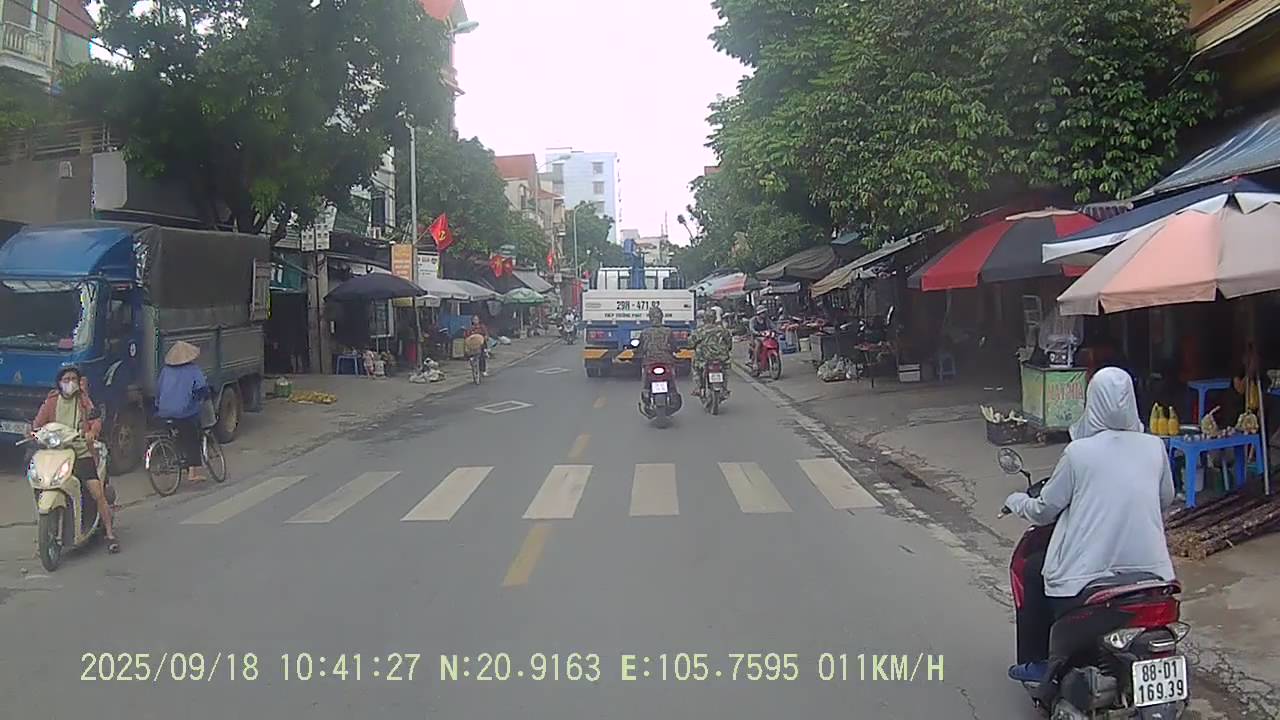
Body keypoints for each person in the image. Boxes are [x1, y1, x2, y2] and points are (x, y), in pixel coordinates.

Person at [1004, 367, 1176, 682]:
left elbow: (1044, 511)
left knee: (1032, 570)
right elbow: (1165, 498)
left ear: (1092, 401)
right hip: (1152, 574)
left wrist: (1016, 501)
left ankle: (1038, 662)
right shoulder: (1154, 446)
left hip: (1087, 576)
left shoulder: (1078, 453)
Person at [33, 366, 119, 553]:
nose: (70, 382)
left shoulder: (83, 400)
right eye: (66, 379)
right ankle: (45, 534)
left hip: (80, 453)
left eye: (73, 379)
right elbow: (37, 424)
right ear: (59, 382)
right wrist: (33, 433)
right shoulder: (51, 401)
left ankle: (110, 534)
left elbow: (95, 420)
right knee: (41, 484)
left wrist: (92, 432)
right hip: (55, 453)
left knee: (96, 492)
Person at [156, 341, 211, 482]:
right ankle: (192, 473)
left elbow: (158, 391)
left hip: (164, 412)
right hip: (184, 413)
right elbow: (202, 390)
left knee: (178, 435)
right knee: (192, 438)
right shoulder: (193, 370)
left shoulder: (165, 371)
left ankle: (178, 456)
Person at [636, 306, 676, 401]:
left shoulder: (645, 332)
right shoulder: (668, 331)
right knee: (672, 379)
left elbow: (640, 348)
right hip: (666, 361)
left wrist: (637, 353)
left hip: (649, 361)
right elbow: (674, 345)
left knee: (645, 378)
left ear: (650, 318)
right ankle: (673, 392)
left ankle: (646, 392)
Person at [691, 309, 733, 396]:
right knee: (725, 370)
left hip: (704, 358)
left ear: (704, 319)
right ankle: (724, 388)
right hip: (721, 358)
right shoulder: (722, 330)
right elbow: (729, 344)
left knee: (696, 368)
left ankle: (698, 387)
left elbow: (691, 343)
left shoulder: (699, 330)